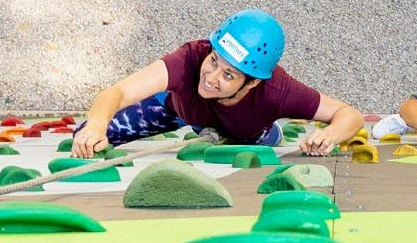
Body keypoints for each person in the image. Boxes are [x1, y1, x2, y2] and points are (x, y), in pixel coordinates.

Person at [70, 10, 364, 157]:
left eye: (228, 75)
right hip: (178, 109)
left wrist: (331, 136)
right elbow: (117, 92)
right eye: (214, 61)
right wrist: (96, 124)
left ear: (250, 84)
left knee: (257, 141)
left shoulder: (278, 91)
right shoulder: (189, 58)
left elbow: (350, 115)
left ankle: (267, 131)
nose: (210, 78)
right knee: (87, 137)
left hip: (243, 130)